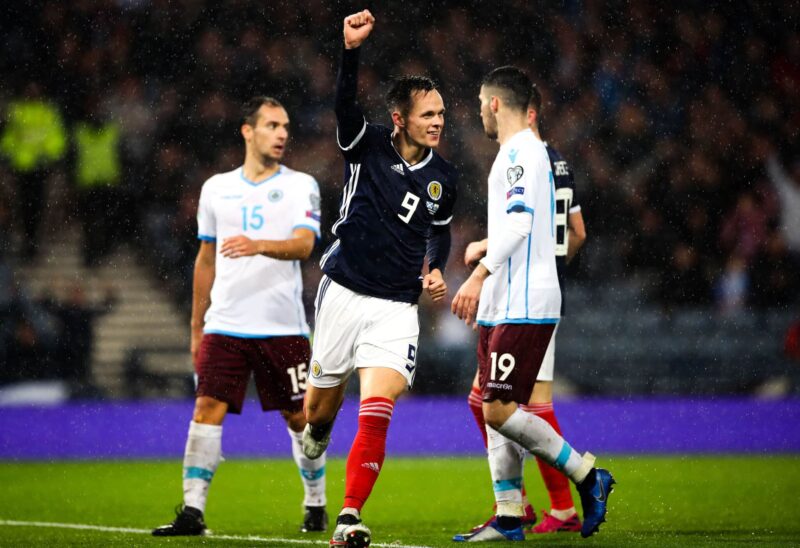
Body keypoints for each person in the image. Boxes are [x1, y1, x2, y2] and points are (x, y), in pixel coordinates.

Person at [301, 10, 457, 547]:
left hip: (395, 306)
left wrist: (434, 267)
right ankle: (319, 430)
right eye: (428, 114)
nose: (438, 122)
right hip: (343, 291)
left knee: (378, 408)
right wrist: (349, 50)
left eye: (441, 113)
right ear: (399, 119)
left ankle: (348, 515)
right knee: (317, 411)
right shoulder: (365, 145)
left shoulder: (444, 177)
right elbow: (343, 104)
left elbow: (440, 233)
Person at [451, 66, 613, 542]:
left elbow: (522, 225)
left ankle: (586, 477)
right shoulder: (516, 154)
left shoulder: (522, 153)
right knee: (485, 401)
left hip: (522, 300)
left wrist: (478, 275)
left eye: (482, 101)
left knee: (500, 408)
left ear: (496, 104)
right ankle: (508, 514)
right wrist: (486, 245)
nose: (480, 109)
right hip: (505, 299)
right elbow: (527, 225)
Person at [152, 96, 327, 536]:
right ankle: (192, 512)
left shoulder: (301, 185)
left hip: (283, 326)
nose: (283, 133)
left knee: (300, 419)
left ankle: (315, 500)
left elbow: (306, 246)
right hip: (225, 323)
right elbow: (205, 260)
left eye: (286, 125)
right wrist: (196, 326)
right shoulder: (216, 188)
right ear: (247, 131)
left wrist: (259, 244)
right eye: (272, 125)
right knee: (206, 408)